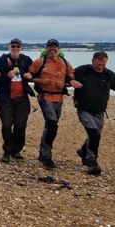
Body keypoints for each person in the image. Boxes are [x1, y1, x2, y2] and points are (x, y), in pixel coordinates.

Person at [26, 38, 81, 169]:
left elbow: (71, 79)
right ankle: (46, 156)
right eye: (50, 47)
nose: (52, 49)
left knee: (51, 126)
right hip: (44, 97)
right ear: (46, 48)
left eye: (54, 47)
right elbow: (29, 76)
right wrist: (40, 81)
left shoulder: (65, 63)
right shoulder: (40, 61)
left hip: (59, 99)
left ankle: (43, 153)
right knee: (52, 125)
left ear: (58, 48)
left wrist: (66, 84)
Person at [0, 38, 35, 162]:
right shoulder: (2, 59)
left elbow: (34, 73)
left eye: (17, 46)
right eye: (13, 46)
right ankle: (7, 151)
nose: (15, 48)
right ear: (9, 47)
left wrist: (31, 75)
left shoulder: (26, 60)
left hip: (22, 99)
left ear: (21, 47)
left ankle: (17, 150)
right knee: (6, 125)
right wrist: (5, 75)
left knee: (20, 126)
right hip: (5, 99)